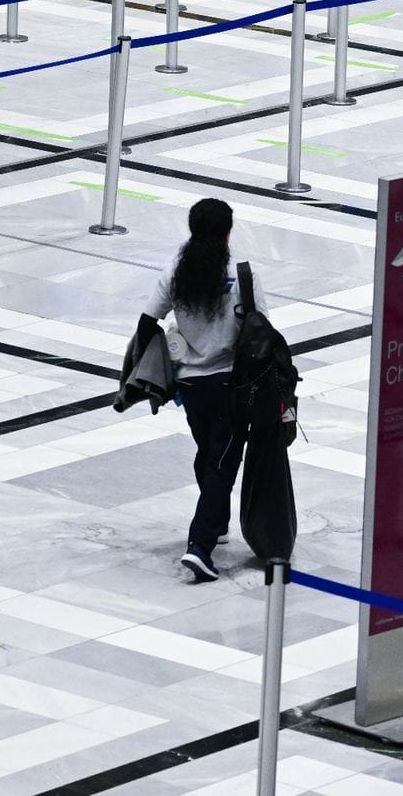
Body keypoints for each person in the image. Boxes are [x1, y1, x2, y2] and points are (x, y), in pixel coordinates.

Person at [142, 198, 266, 582]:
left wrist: (155, 374)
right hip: (231, 383)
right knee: (222, 464)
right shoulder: (241, 275)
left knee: (209, 453)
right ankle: (200, 546)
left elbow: (147, 323)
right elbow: (262, 331)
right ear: (228, 232)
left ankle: (218, 521)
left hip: (191, 386)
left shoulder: (176, 275)